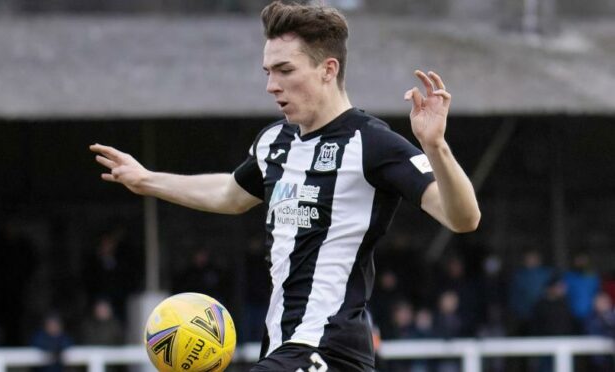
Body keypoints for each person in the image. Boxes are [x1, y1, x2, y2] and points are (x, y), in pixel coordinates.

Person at [89, 1, 480, 370]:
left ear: (328, 69)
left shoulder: (372, 143)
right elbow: (230, 194)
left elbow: (463, 218)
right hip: (281, 349)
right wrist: (146, 180)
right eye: (267, 72)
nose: (271, 86)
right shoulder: (274, 142)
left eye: (285, 70)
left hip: (329, 350)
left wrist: (435, 146)